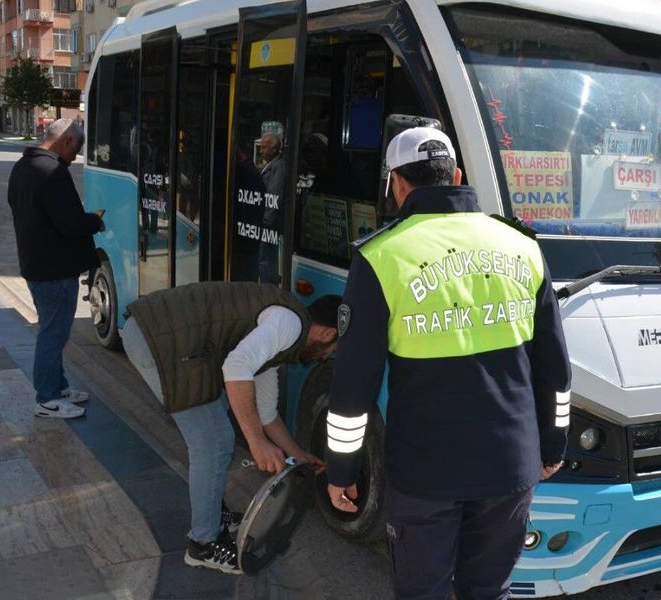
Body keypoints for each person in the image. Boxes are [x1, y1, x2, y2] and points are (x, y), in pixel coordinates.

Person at [325, 127, 572, 599]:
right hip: (510, 467)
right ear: (457, 175)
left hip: (425, 475)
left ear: (397, 185)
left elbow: (353, 389)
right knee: (490, 590)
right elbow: (556, 373)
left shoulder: (382, 257)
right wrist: (553, 445)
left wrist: (342, 470)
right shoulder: (521, 246)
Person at [122, 283, 341, 575]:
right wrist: (256, 442)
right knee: (213, 442)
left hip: (169, 338)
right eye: (332, 351)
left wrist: (299, 456)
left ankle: (213, 515)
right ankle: (203, 545)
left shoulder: (283, 334)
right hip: (159, 339)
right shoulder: (288, 325)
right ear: (328, 334)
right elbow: (236, 367)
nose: (325, 358)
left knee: (216, 432)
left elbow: (266, 415)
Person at [7, 118, 104, 419]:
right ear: (67, 141)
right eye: (78, 148)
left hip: (36, 264)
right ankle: (47, 398)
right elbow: (70, 223)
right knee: (53, 334)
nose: (77, 156)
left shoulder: (24, 167)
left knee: (53, 331)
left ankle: (58, 386)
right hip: (54, 270)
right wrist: (95, 220)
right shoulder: (52, 172)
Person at [258, 130, 286, 284]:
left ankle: (268, 291)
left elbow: (274, 197)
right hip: (266, 223)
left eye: (264, 147)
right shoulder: (270, 165)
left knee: (266, 261)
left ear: (274, 149)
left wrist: (265, 222)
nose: (261, 151)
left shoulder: (278, 167)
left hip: (269, 225)